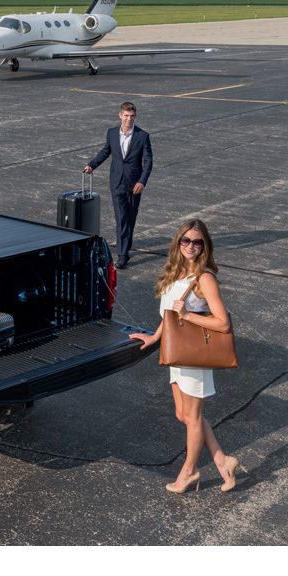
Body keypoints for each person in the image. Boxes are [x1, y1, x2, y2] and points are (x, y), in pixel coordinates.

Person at [129, 218, 246, 493]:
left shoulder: (204, 279)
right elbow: (169, 314)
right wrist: (155, 337)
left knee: (192, 418)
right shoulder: (176, 272)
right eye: (186, 240)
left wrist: (188, 315)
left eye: (197, 242)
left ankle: (189, 471)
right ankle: (223, 460)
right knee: (184, 415)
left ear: (204, 246)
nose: (191, 246)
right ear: (178, 243)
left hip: (194, 357)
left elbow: (223, 323)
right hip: (177, 355)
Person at [83, 101, 151, 268]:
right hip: (117, 182)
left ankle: (125, 245)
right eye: (126, 116)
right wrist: (92, 165)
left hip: (134, 184)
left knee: (130, 217)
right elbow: (106, 151)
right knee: (121, 218)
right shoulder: (112, 133)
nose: (129, 119)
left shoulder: (143, 136)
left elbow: (148, 161)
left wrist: (142, 181)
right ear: (120, 115)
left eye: (132, 116)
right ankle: (122, 254)